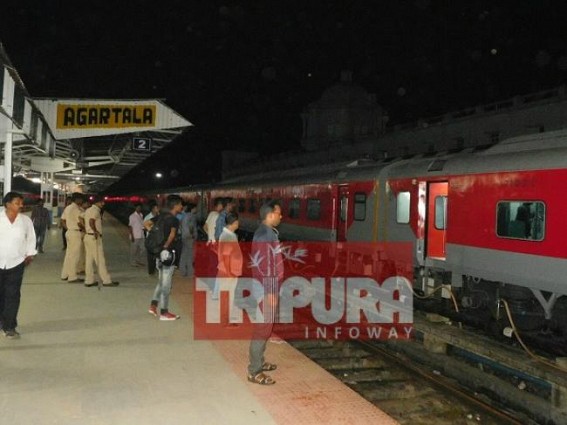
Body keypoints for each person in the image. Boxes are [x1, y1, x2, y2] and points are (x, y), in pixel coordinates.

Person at [247, 201, 283, 385]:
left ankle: (259, 362)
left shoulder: (266, 232)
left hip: (264, 287)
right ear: (270, 215)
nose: (281, 216)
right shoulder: (265, 235)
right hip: (265, 289)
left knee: (265, 328)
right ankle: (254, 371)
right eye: (279, 213)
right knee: (262, 330)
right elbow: (265, 266)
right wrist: (270, 292)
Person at [0, 192, 37, 339]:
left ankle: (9, 327)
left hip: (16, 263)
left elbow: (31, 238)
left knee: (13, 295)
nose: (21, 205)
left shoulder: (25, 221)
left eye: (21, 203)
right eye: (17, 203)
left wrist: (29, 254)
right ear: (7, 204)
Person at [146, 195, 183, 320]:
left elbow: (147, 224)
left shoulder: (161, 216)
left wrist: (157, 239)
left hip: (158, 255)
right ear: (175, 205)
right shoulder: (174, 220)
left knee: (161, 282)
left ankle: (153, 305)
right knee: (166, 285)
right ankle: (164, 312)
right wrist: (165, 247)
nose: (181, 207)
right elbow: (172, 235)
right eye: (180, 204)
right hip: (167, 255)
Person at [83, 196, 119, 288]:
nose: (103, 204)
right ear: (97, 202)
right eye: (102, 202)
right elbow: (91, 221)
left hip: (88, 236)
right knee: (100, 259)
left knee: (89, 260)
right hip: (94, 237)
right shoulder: (95, 211)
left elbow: (84, 220)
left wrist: (88, 230)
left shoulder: (88, 210)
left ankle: (89, 280)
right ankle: (106, 280)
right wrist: (95, 231)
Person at [216, 212, 242, 325]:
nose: (238, 225)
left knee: (228, 296)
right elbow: (226, 256)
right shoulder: (228, 236)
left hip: (228, 271)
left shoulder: (228, 235)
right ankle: (225, 321)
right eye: (237, 223)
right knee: (227, 297)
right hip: (227, 272)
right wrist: (229, 272)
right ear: (233, 223)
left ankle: (226, 319)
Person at [60, 193, 84, 283]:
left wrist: (68, 228)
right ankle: (72, 277)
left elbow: (62, 220)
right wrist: (84, 228)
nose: (81, 201)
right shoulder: (76, 209)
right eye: (81, 199)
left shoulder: (68, 207)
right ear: (77, 199)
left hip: (69, 232)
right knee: (75, 255)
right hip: (75, 233)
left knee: (69, 255)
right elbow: (80, 222)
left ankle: (65, 274)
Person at [179, 203, 197, 277]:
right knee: (190, 255)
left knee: (184, 254)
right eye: (195, 208)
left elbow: (181, 226)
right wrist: (192, 235)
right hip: (189, 238)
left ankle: (183, 271)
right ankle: (190, 272)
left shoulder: (184, 216)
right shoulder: (191, 216)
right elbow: (191, 227)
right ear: (192, 209)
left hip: (184, 237)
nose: (196, 210)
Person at [144, 201, 160, 275]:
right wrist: (152, 230)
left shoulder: (159, 216)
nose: (158, 209)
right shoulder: (148, 217)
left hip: (158, 239)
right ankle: (151, 271)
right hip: (150, 239)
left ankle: (157, 268)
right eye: (157, 208)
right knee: (150, 256)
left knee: (157, 255)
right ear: (153, 209)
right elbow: (144, 227)